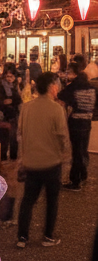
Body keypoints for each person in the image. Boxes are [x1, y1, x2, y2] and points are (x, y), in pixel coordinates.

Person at [17, 71, 70, 248]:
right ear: (52, 87)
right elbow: (62, 136)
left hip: (31, 161)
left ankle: (22, 237)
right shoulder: (56, 109)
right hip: (51, 162)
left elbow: (20, 133)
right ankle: (47, 236)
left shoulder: (26, 108)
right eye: (56, 85)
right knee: (52, 201)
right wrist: (64, 154)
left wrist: (22, 158)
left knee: (28, 200)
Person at [58, 61, 95, 191]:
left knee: (76, 152)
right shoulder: (91, 87)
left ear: (74, 73)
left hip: (76, 123)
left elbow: (60, 96)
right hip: (87, 122)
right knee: (83, 150)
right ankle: (83, 175)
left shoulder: (74, 86)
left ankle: (75, 181)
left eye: (69, 72)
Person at [0, 67, 23, 160]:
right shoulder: (0, 85)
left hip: (13, 113)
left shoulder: (15, 85)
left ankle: (13, 156)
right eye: (7, 76)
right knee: (4, 135)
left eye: (11, 76)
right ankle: (3, 156)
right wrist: (3, 102)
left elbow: (19, 99)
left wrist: (12, 100)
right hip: (4, 113)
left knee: (13, 135)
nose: (9, 78)